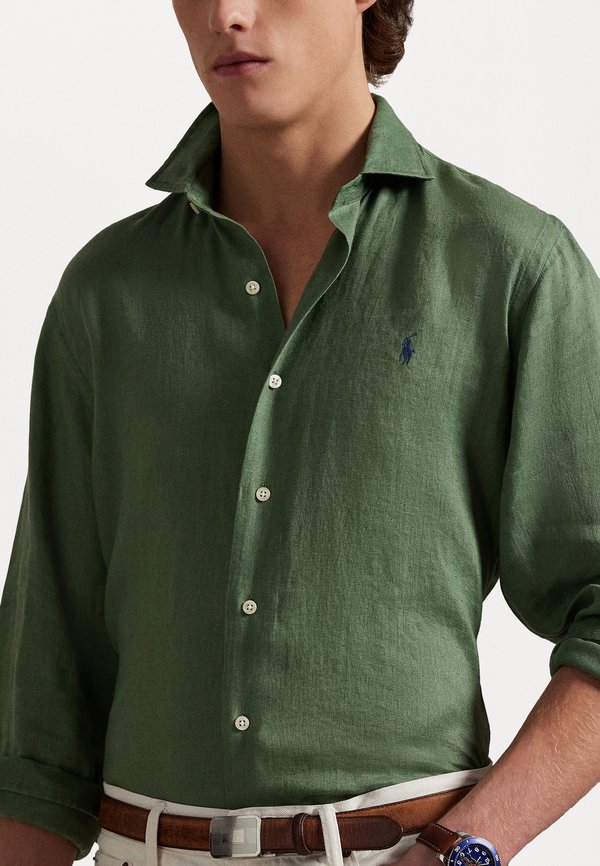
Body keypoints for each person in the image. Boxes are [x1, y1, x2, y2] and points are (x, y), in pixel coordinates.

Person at [1, 0, 600, 864]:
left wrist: (464, 849)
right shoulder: (106, 291)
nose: (228, 14)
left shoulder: (508, 266)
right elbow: (44, 696)